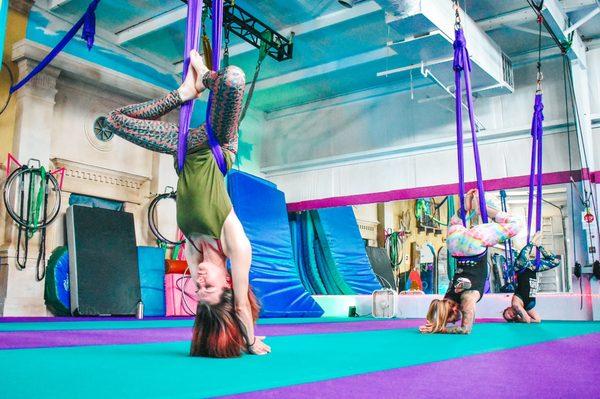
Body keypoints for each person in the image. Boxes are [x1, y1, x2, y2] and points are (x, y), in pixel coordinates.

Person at [105, 50, 270, 357]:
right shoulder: (235, 245)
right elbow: (241, 306)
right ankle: (205, 75)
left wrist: (182, 97)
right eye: (209, 287)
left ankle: (183, 92)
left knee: (114, 121)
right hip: (217, 144)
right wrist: (249, 341)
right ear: (229, 284)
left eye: (198, 289)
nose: (200, 281)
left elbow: (217, 295)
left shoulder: (193, 254)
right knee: (232, 80)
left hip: (182, 146)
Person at [420, 189, 520, 334]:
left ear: (453, 310)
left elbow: (465, 329)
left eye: (452, 319)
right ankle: (465, 207)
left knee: (516, 224)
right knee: (455, 223)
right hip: (454, 245)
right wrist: (437, 324)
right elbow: (439, 311)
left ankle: (484, 209)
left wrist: (442, 330)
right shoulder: (446, 299)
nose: (455, 321)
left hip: (473, 244)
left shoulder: (467, 299)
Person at [502, 231, 560, 323]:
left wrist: (521, 318)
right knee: (555, 261)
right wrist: (518, 319)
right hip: (532, 268)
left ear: (508, 308)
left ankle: (532, 241)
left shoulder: (515, 304)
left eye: (508, 314)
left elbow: (527, 320)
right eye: (511, 317)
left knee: (521, 260)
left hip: (522, 269)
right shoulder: (527, 307)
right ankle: (539, 245)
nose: (511, 315)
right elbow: (537, 320)